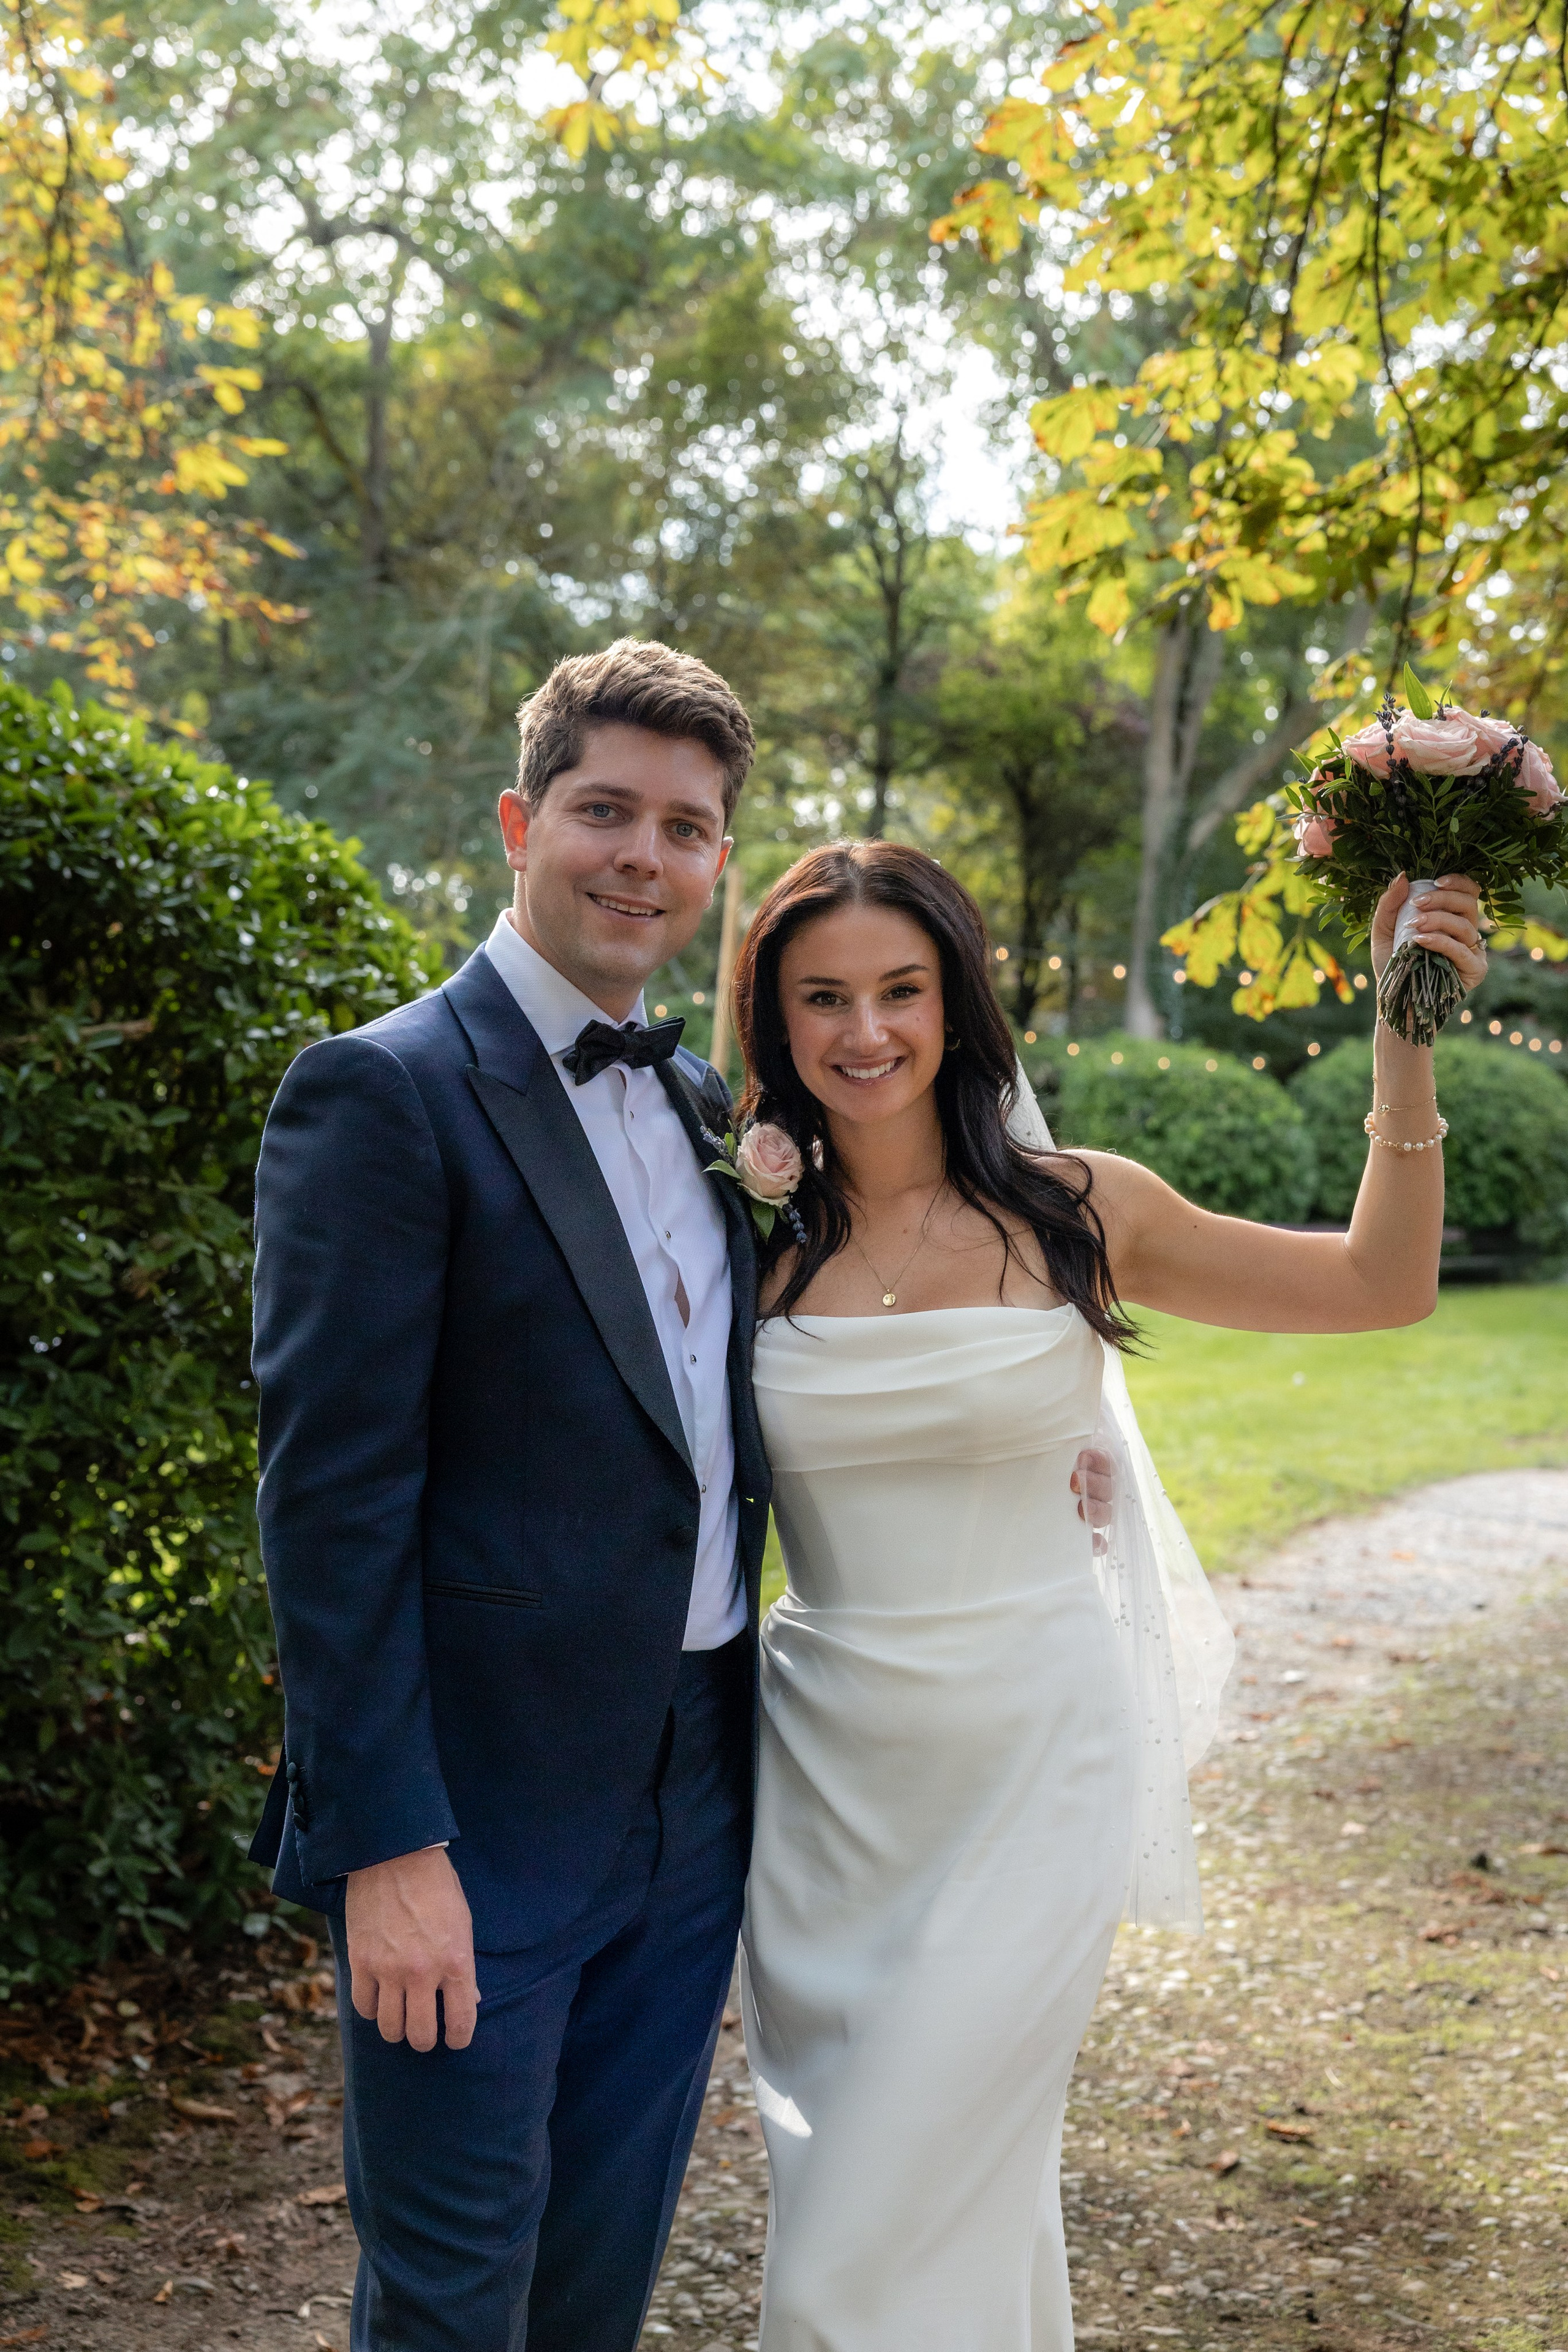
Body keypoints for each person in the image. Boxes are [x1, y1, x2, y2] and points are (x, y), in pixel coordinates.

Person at [728, 839, 1486, 2351]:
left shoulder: (1083, 1211)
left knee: (846, 2258)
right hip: (822, 1788)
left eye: (899, 990)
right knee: (932, 2202)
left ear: (956, 1007)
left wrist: (1399, 1050)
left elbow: (1375, 1286)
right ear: (770, 1021)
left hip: (1031, 1763)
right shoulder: (739, 1234)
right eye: (821, 998)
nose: (863, 1033)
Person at [247, 640, 771, 2352]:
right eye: (604, 811)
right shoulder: (381, 1092)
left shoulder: (707, 1105)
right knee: (455, 2297)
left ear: (717, 863)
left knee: (595, 2285)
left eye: (684, 828)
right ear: (517, 822)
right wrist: (384, 1842)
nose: (642, 855)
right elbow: (330, 1507)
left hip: (696, 1799)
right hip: (472, 1824)